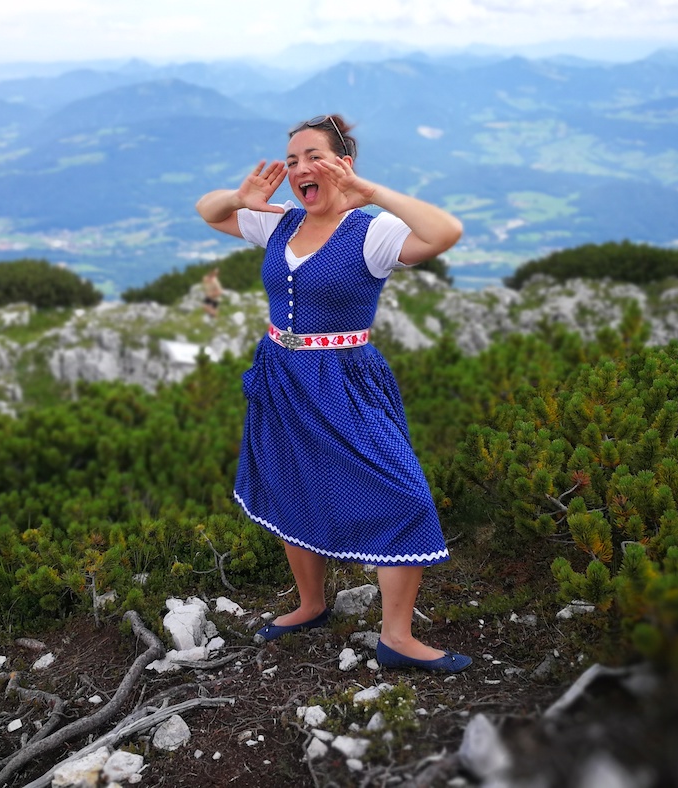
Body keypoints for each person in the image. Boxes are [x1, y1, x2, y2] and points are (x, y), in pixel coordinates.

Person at [195, 114, 471, 672]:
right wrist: (239, 195)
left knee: (404, 495)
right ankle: (311, 604)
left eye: (313, 157)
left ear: (342, 163)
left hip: (346, 379)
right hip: (279, 374)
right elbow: (208, 211)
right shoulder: (279, 224)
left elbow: (445, 232)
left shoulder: (372, 233)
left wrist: (371, 193)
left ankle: (396, 636)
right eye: (292, 160)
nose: (299, 168)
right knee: (290, 483)